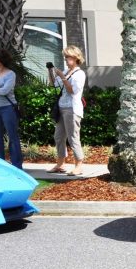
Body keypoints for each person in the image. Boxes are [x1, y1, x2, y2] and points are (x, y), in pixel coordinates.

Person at [47, 45, 86, 176]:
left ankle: (78, 165)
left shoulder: (80, 74)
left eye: (68, 57)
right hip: (61, 107)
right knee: (58, 137)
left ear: (75, 58)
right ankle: (60, 164)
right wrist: (50, 71)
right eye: (65, 57)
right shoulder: (65, 71)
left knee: (73, 137)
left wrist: (62, 77)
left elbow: (72, 90)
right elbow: (54, 85)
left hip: (72, 109)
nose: (66, 60)